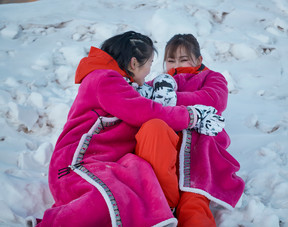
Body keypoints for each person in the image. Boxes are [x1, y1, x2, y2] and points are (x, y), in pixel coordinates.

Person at [25, 31, 226, 227]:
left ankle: (162, 210)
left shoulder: (122, 84)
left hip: (106, 163)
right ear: (133, 63)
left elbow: (213, 98)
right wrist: (192, 115)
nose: (149, 71)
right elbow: (146, 111)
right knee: (114, 195)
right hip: (75, 166)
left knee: (138, 181)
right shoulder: (105, 80)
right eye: (149, 64)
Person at [136, 34, 245, 227]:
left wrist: (173, 100)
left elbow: (214, 99)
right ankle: (162, 211)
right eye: (170, 60)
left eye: (184, 59)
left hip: (199, 151)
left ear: (199, 60)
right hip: (163, 152)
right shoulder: (156, 84)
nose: (176, 64)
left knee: (194, 202)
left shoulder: (211, 77)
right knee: (154, 197)